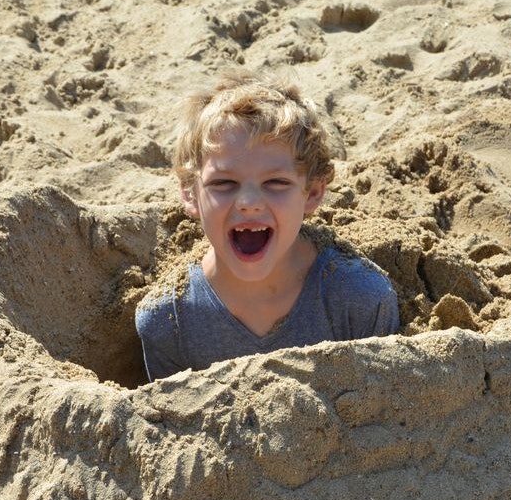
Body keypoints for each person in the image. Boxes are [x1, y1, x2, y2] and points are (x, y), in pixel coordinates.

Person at [135, 71, 400, 381]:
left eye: (276, 182)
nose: (249, 201)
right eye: (224, 182)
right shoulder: (169, 320)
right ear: (190, 192)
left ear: (313, 192)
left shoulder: (359, 298)